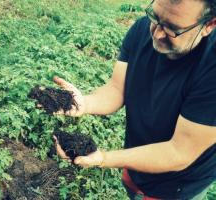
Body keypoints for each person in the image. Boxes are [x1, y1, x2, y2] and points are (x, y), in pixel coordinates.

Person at [50, 0, 216, 199]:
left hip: (179, 185)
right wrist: (85, 103)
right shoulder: (142, 28)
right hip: (136, 161)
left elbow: (178, 152)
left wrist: (104, 158)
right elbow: (117, 88)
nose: (157, 33)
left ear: (208, 25)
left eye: (173, 29)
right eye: (155, 17)